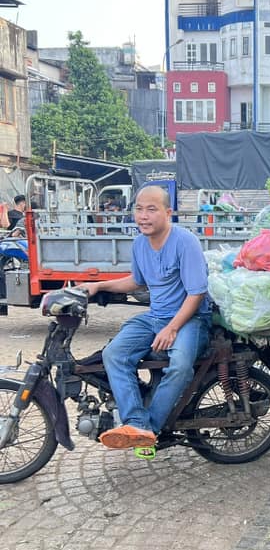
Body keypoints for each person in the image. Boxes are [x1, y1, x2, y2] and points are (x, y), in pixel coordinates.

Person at [84, 185, 212, 450]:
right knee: (114, 354)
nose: (143, 216)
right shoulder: (140, 243)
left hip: (191, 319)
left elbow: (196, 293)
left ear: (168, 212)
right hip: (154, 317)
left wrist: (172, 329)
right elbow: (137, 281)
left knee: (179, 366)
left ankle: (149, 429)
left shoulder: (185, 242)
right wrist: (99, 286)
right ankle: (135, 421)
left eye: (151, 209)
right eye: (139, 209)